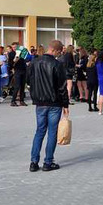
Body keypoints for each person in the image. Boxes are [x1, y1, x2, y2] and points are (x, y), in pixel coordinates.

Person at [29, 39, 69, 172]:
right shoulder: (57, 64)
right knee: (52, 132)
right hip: (54, 102)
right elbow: (62, 87)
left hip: (40, 102)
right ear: (55, 50)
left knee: (40, 131)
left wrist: (34, 95)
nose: (59, 54)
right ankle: (48, 162)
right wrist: (65, 104)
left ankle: (34, 162)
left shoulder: (34, 62)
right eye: (59, 52)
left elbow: (29, 81)